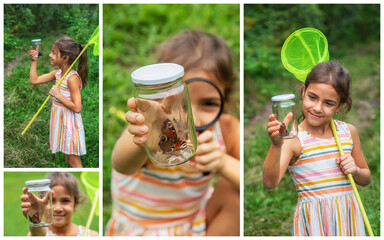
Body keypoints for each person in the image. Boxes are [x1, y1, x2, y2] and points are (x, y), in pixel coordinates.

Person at [106, 30, 240, 236]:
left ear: (226, 100)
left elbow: (251, 181)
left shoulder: (227, 128)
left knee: (233, 192)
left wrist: (222, 162)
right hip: (143, 229)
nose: (192, 116)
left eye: (209, 103)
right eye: (180, 102)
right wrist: (145, 136)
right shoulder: (151, 125)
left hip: (192, 222)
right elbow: (121, 165)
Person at [263, 61, 371, 236]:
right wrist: (276, 145)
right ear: (304, 92)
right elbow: (270, 182)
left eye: (329, 103)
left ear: (340, 106)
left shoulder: (348, 132)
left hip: (348, 219)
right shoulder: (294, 140)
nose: (317, 108)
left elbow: (366, 178)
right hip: (315, 224)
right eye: (312, 97)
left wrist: (356, 171)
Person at [29, 36, 88, 168]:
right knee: (68, 159)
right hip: (60, 120)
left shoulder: (72, 79)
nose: (50, 55)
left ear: (65, 58)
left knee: (74, 161)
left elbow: (77, 107)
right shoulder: (58, 74)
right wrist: (34, 61)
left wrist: (58, 95)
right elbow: (35, 80)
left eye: (54, 53)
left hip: (69, 123)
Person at [20, 172, 99, 236]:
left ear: (76, 204)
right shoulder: (41, 234)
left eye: (65, 201)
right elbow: (37, 234)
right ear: (41, 204)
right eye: (51, 201)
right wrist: (35, 217)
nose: (58, 208)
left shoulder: (91, 235)